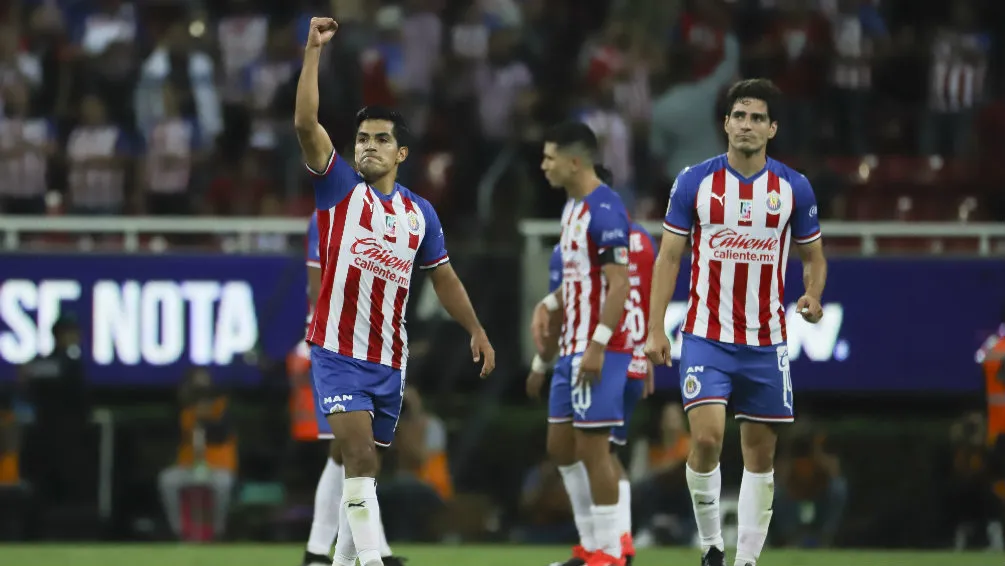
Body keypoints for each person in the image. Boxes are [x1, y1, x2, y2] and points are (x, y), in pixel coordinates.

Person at [295, 16, 496, 566]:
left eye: (382, 139)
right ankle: (370, 560)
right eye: (363, 138)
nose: (369, 146)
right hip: (337, 351)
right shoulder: (337, 188)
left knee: (362, 468)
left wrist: (475, 328)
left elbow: (445, 277)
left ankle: (339, 559)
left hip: (389, 358)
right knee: (359, 458)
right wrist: (313, 52)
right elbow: (306, 122)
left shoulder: (419, 214)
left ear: (401, 154)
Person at [644, 78, 828, 566]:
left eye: (757, 118)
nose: (747, 125)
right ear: (726, 123)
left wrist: (811, 294)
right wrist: (655, 326)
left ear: (772, 128)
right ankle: (710, 546)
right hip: (706, 335)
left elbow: (814, 256)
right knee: (704, 439)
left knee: (760, 456)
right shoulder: (694, 182)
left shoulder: (793, 187)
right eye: (739, 116)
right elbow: (667, 258)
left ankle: (746, 561)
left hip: (767, 341)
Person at [528, 123, 632, 566]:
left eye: (549, 157)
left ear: (574, 161)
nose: (543, 165)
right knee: (560, 447)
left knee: (594, 448)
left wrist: (598, 344)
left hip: (597, 349)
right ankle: (590, 546)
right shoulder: (572, 209)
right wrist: (547, 303)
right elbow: (579, 280)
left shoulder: (605, 209)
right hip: (570, 345)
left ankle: (609, 551)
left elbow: (619, 285)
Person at [301, 211, 402, 566]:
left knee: (358, 453)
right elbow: (318, 284)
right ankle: (328, 550)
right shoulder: (327, 216)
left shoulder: (395, 215)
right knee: (350, 450)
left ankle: (333, 552)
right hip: (337, 347)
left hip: (377, 348)